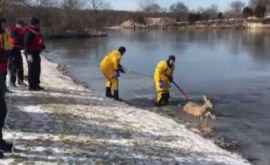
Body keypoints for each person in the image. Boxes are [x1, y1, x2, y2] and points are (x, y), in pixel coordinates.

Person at [0, 18, 13, 157]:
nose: (5, 26)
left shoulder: (4, 36)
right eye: (3, 24)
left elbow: (10, 49)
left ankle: (0, 141)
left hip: (2, 72)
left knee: (2, 110)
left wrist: (7, 36)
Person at [24, 17, 45, 91]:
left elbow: (40, 41)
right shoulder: (29, 32)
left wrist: (43, 47)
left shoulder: (37, 31)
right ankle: (31, 86)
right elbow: (26, 44)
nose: (39, 25)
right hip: (30, 53)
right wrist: (28, 54)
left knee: (37, 69)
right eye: (38, 23)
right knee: (32, 69)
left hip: (36, 53)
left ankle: (36, 84)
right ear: (35, 24)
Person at [9, 20, 26, 87]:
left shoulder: (21, 32)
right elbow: (13, 42)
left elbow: (22, 41)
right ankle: (12, 82)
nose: (22, 27)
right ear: (17, 25)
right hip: (12, 51)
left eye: (23, 26)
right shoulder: (13, 31)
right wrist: (21, 46)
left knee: (20, 66)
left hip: (18, 51)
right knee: (13, 66)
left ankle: (20, 81)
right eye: (21, 25)